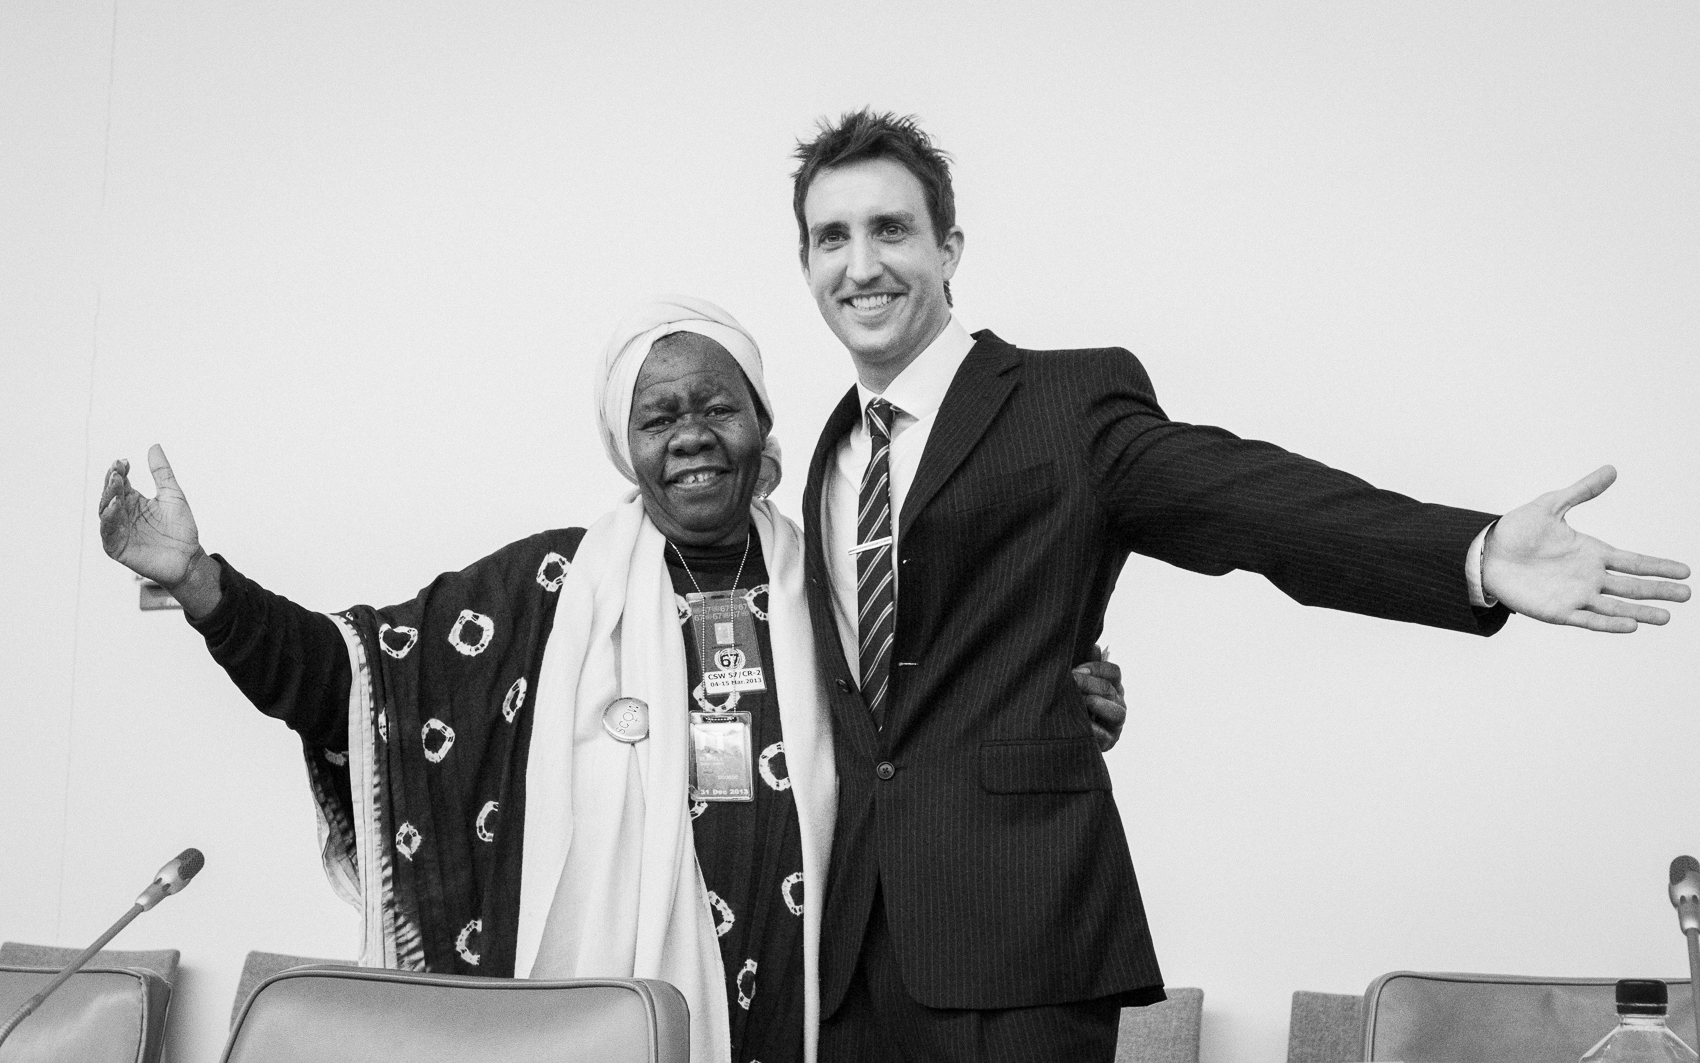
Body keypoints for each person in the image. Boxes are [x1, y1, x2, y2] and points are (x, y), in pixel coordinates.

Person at [787, 109, 1692, 1061]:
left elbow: (1252, 502)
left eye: (891, 230)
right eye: (831, 237)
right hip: (854, 953)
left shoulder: (1061, 402)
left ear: (949, 248)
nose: (861, 264)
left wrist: (1469, 552)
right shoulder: (832, 455)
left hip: (1018, 937)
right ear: (805, 262)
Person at [97, 296, 1126, 1063]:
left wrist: (1054, 695)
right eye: (658, 415)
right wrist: (198, 582)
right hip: (602, 1020)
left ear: (760, 427)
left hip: (831, 1006)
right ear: (625, 447)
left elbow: (973, 683)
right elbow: (345, 678)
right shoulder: (543, 591)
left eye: (715, 405)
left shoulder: (851, 577)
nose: (688, 431)